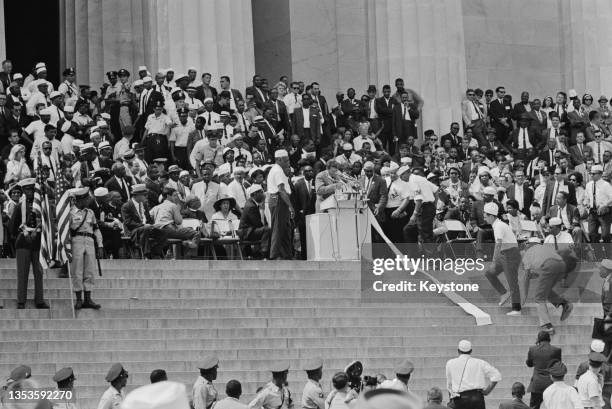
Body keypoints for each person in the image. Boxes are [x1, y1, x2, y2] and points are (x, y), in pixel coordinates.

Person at [9, 178, 48, 309]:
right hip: (23, 243)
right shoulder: (20, 206)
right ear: (24, 191)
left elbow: (46, 224)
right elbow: (12, 227)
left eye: (32, 189)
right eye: (27, 189)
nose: (30, 192)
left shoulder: (41, 206)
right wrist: (21, 235)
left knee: (39, 273)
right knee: (22, 273)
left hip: (37, 243)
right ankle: (21, 300)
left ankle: (39, 300)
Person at [483, 201, 522, 315]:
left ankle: (516, 309)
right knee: (489, 273)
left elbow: (498, 243)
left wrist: (494, 261)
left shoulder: (498, 226)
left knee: (512, 282)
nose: (484, 219)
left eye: (485, 216)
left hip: (510, 255)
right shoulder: (498, 225)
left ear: (491, 216)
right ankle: (504, 293)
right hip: (505, 254)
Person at [69, 187, 103, 310]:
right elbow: (66, 231)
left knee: (89, 271)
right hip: (76, 241)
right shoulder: (70, 212)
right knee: (77, 270)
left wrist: (100, 245)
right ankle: (79, 299)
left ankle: (88, 299)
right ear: (80, 200)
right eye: (87, 198)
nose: (89, 200)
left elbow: (96, 229)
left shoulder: (90, 212)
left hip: (89, 241)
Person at [445, 340, 501, 409]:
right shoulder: (480, 363)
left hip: (459, 399)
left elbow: (449, 385)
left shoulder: (450, 363)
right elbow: (497, 375)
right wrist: (487, 391)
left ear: (458, 351)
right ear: (471, 351)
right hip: (477, 398)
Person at [121, 184, 168, 259]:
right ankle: (146, 254)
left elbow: (148, 220)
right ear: (136, 195)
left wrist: (153, 225)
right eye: (144, 195)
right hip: (133, 230)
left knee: (163, 232)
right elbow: (128, 223)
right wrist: (142, 225)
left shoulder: (144, 204)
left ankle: (156, 252)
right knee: (145, 230)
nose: (146, 197)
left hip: (146, 228)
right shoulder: (126, 206)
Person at [267, 150, 294, 260]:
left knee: (285, 228)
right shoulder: (278, 171)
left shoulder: (278, 170)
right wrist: (290, 206)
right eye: (286, 160)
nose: (288, 162)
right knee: (278, 228)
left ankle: (287, 254)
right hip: (278, 199)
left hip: (276, 199)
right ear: (278, 160)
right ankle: (274, 255)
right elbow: (281, 190)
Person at [525, 331, 562, 408]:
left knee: (534, 407)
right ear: (549, 338)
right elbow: (558, 365)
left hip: (537, 384)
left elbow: (529, 364)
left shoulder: (532, 349)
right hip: (551, 383)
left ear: (538, 339)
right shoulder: (556, 350)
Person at [238, 184, 270, 258]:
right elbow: (258, 224)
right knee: (267, 230)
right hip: (246, 233)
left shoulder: (253, 203)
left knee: (268, 229)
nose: (263, 194)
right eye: (261, 192)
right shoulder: (251, 206)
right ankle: (264, 254)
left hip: (251, 230)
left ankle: (262, 253)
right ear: (255, 194)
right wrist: (262, 209)